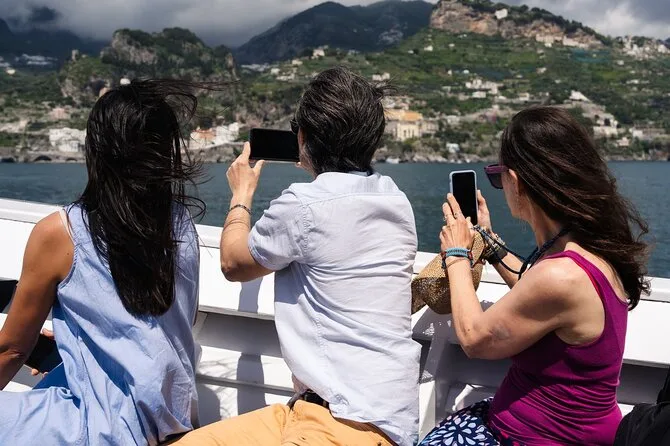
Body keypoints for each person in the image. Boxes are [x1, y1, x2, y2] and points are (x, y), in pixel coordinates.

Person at [176, 67, 420, 446]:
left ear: (303, 137)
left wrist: (241, 193)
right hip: (370, 414)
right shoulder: (395, 198)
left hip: (340, 421)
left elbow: (234, 263)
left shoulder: (303, 205)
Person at [420, 106, 649, 446]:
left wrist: (456, 253)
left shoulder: (561, 275)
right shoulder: (585, 251)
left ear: (515, 181)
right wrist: (489, 243)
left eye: (497, 176)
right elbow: (535, 292)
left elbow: (474, 338)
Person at [0, 79, 204, 445]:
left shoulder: (61, 232)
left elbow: (12, 350)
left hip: (102, 429)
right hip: (170, 419)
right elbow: (154, 327)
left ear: (95, 149)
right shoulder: (181, 224)